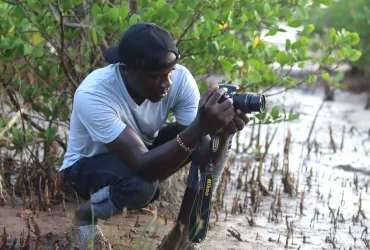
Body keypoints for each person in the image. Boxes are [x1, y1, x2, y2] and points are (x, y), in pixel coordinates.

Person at [59, 22, 249, 250]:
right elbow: (144, 167)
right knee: (142, 186)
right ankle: (84, 217)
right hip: (86, 166)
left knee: (201, 141)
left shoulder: (180, 79)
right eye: (156, 76)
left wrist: (223, 134)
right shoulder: (94, 93)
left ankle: (179, 239)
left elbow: (206, 156)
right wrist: (201, 125)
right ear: (127, 69)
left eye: (169, 73)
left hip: (140, 152)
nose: (167, 83)